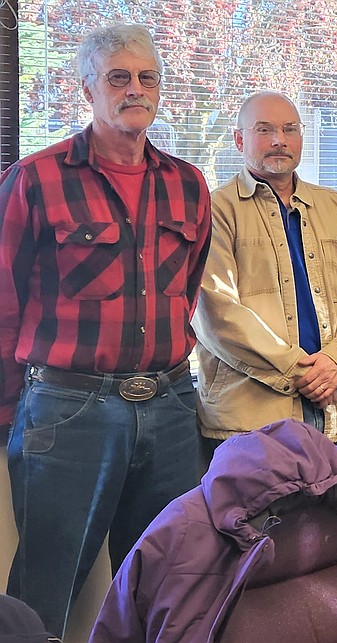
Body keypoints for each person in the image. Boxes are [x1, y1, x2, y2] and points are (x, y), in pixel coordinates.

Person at [0, 23, 211, 635]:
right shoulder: (35, 180)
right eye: (119, 76)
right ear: (86, 86)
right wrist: (10, 408)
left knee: (171, 578)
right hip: (68, 407)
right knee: (47, 581)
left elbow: (186, 291)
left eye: (147, 78)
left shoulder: (187, 184)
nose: (135, 89)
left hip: (170, 405)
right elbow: (5, 301)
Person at [192, 91, 337, 450]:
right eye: (264, 130)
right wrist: (303, 371)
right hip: (250, 422)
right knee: (261, 510)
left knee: (333, 508)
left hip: (332, 410)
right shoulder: (215, 211)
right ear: (239, 139)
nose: (279, 140)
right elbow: (215, 312)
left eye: (289, 129)